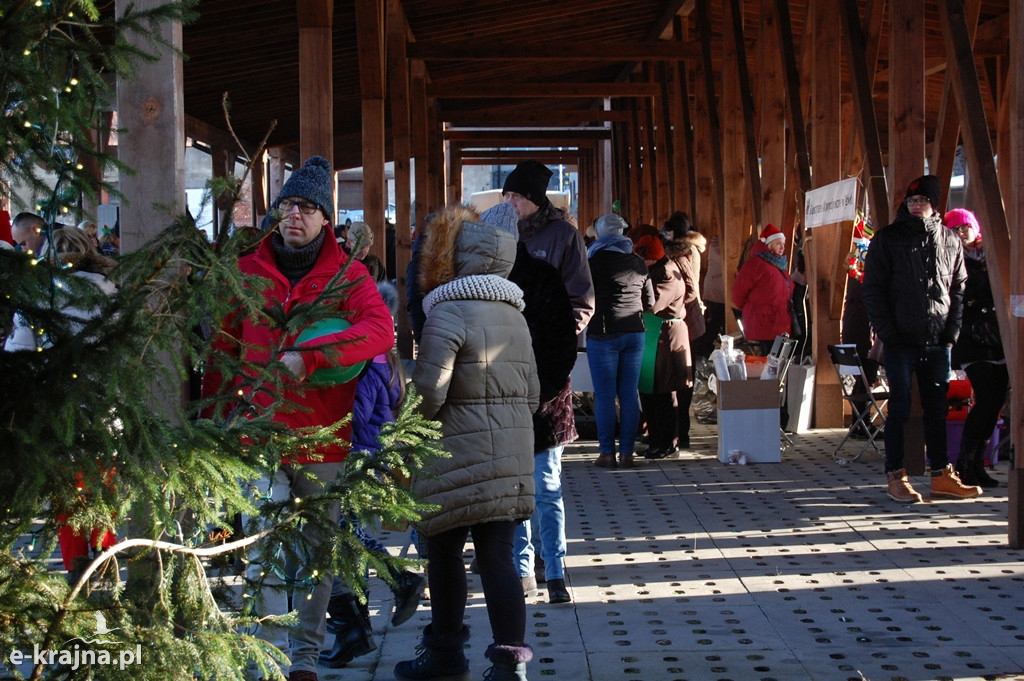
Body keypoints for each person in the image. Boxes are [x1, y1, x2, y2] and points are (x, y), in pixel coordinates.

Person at [201, 155, 395, 681]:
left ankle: (305, 658)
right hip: (256, 434)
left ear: (325, 219)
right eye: (287, 204)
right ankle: (264, 655)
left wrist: (310, 356)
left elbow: (380, 332)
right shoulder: (246, 272)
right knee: (264, 549)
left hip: (322, 438)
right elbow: (221, 350)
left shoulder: (348, 276)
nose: (294, 215)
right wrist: (218, 420)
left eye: (307, 207)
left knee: (316, 554)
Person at [396, 204, 539, 681]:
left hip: (454, 455)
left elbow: (429, 390)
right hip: (509, 459)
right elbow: (535, 393)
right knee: (498, 556)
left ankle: (445, 654)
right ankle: (509, 665)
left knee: (443, 550)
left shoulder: (446, 312)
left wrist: (403, 430)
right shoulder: (515, 316)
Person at [320, 281, 426, 669]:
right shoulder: (388, 361)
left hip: (357, 457)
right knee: (348, 541)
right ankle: (357, 629)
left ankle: (399, 581)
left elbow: (358, 417)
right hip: (374, 458)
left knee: (344, 533)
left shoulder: (365, 367)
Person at [502, 159, 594, 606]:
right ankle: (524, 573)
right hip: (506, 381)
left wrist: (560, 339)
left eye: (515, 196)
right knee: (517, 485)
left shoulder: (563, 237)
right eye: (506, 196)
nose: (509, 203)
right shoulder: (500, 236)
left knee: (547, 481)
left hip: (549, 378)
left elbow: (582, 299)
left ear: (533, 200)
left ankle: (555, 568)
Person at [4, 227, 119, 579]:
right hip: (103, 402)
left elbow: (18, 350)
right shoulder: (111, 291)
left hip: (57, 404)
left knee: (67, 489)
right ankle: (107, 554)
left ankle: (76, 565)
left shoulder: (42, 294)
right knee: (103, 483)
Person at [861, 174, 979, 503]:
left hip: (937, 340)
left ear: (934, 204)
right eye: (911, 201)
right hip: (900, 341)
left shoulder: (950, 240)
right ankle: (896, 475)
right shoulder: (887, 239)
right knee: (899, 408)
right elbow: (872, 290)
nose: (915, 206)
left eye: (922, 201)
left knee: (937, 409)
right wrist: (888, 333)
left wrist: (951, 334)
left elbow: (958, 288)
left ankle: (941, 474)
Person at [586, 213, 654, 470]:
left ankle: (607, 453)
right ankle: (627, 454)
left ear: (600, 235)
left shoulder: (592, 262)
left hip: (603, 332)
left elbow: (581, 295)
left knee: (604, 395)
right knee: (629, 394)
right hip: (635, 332)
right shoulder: (637, 263)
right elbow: (651, 303)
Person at [945, 207, 1006, 489]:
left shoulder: (994, 255)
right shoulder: (951, 260)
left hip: (998, 338)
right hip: (971, 340)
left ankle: (977, 463)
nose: (961, 233)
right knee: (984, 399)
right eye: (955, 229)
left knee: (994, 403)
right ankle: (964, 464)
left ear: (975, 228)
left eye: (964, 227)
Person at [638, 232, 693, 460]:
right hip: (654, 334)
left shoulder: (667, 274)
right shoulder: (656, 270)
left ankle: (669, 443)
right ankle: (655, 441)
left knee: (665, 390)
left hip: (667, 336)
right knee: (650, 390)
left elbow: (652, 304)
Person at [732, 224, 793, 355]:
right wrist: (754, 309)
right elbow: (738, 292)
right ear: (769, 244)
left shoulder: (779, 264)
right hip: (764, 322)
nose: (782, 247)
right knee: (769, 361)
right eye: (778, 244)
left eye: (783, 243)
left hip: (778, 322)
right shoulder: (756, 264)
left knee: (777, 361)